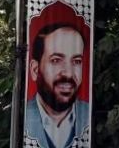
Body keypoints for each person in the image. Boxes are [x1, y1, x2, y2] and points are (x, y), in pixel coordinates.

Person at [25, 9, 90, 148]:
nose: (68, 73)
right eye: (56, 60)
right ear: (35, 70)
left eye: (77, 61)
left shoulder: (91, 117)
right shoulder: (21, 118)